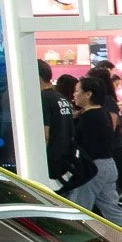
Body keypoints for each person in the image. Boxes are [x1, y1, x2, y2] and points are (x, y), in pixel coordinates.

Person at [66, 73, 122, 231]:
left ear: (88, 94)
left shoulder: (89, 117)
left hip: (93, 168)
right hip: (107, 165)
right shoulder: (102, 113)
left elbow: (87, 146)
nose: (74, 95)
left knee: (79, 209)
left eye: (77, 91)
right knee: (112, 209)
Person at [38, 59, 76, 187]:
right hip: (65, 160)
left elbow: (45, 135)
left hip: (51, 163)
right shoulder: (62, 98)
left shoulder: (43, 99)